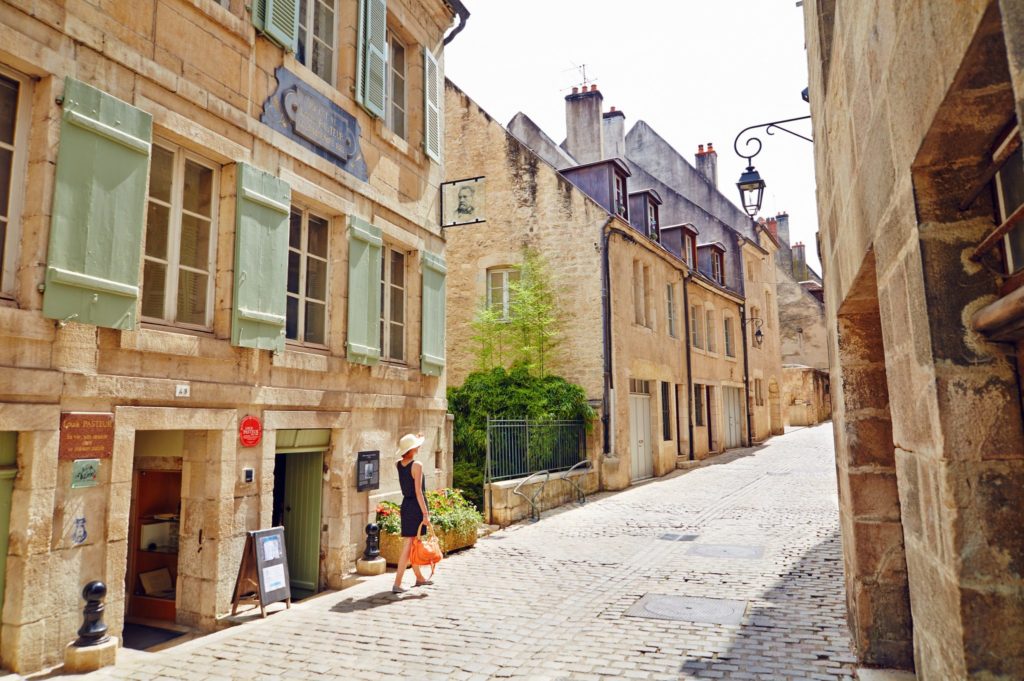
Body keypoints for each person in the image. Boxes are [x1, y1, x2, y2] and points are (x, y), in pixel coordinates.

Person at [392, 432, 432, 594]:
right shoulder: (418, 465)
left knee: (413, 543)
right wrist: (425, 514)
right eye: (416, 446)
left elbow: (405, 457)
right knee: (409, 545)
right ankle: (397, 583)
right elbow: (418, 492)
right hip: (415, 506)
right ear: (412, 449)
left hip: (406, 505)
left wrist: (415, 439)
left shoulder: (398, 464)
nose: (419, 447)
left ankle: (419, 578)